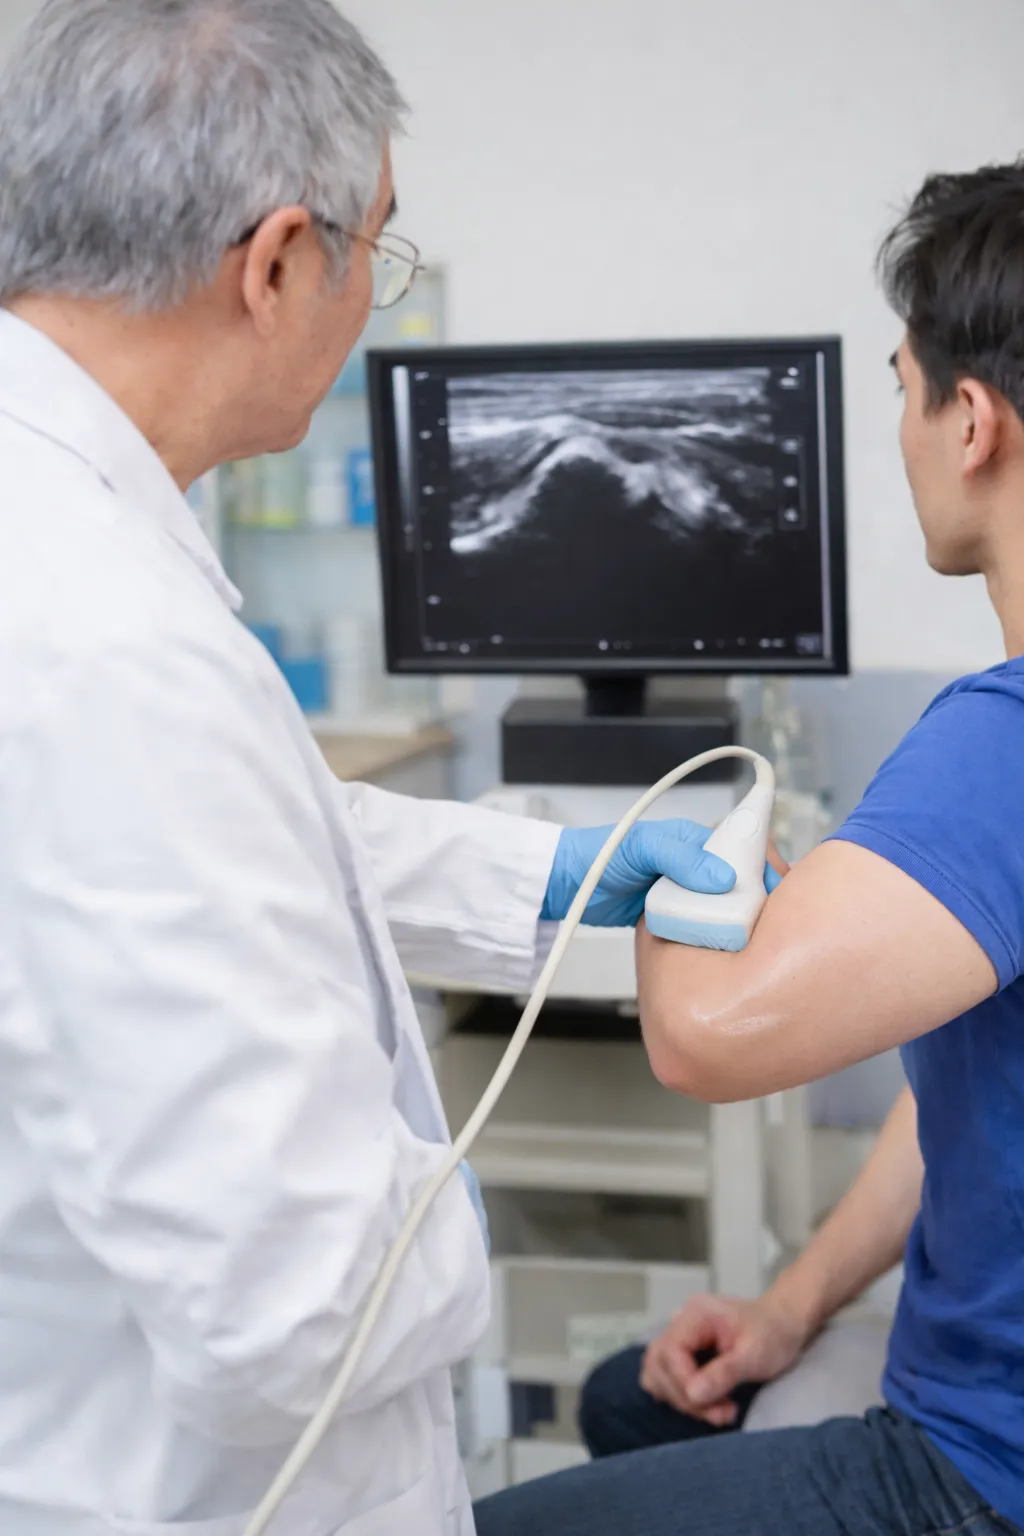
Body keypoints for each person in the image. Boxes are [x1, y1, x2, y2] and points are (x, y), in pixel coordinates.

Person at [0, 4, 757, 1534]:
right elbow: (291, 1318)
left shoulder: (75, 538)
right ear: (279, 264)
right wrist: (448, 1205)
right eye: (377, 251)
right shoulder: (97, 635)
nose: (369, 294)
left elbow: (229, 829)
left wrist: (537, 873)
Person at [474, 163, 1024, 1536]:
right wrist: (787, 1310)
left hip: (975, 1469)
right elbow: (957, 1106)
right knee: (630, 1399)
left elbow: (703, 1042)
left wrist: (687, 864)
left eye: (903, 388)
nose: (899, 427)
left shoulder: (1000, 744)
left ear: (971, 421)